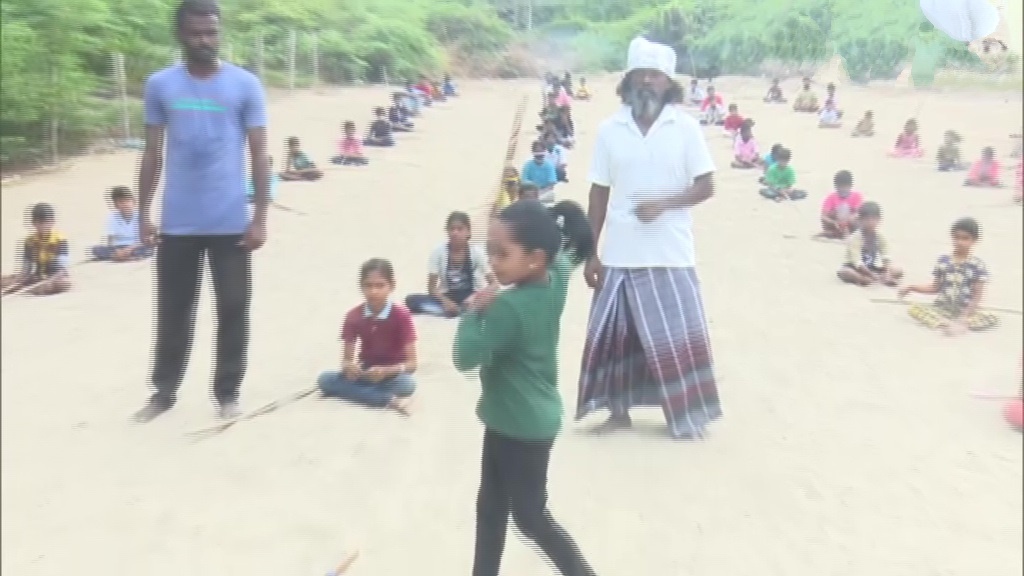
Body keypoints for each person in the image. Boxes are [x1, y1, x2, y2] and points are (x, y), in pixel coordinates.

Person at [577, 36, 722, 440]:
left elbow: (706, 186)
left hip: (671, 252)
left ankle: (688, 416)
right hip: (620, 253)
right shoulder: (610, 130)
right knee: (615, 339)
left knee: (678, 340)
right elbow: (598, 193)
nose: (647, 81)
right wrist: (591, 252)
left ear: (668, 83)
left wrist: (665, 203)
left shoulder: (687, 128)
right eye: (640, 74)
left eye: (655, 75)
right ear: (628, 81)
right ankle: (617, 412)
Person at [134, 0, 269, 423]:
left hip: (231, 223)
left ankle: (227, 393)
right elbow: (152, 153)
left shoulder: (245, 84)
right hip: (177, 223)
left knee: (232, 308)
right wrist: (142, 212)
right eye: (195, 33)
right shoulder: (160, 85)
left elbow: (261, 151)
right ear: (180, 34)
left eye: (211, 32)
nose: (205, 40)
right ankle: (163, 392)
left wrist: (260, 216)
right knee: (173, 309)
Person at [453, 199, 598, 576]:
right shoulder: (556, 275)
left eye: (502, 254)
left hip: (519, 427)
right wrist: (568, 221)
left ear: (534, 258)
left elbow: (465, 357)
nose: (493, 262)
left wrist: (473, 310)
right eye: (490, 251)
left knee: (530, 517)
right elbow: (571, 252)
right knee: (491, 509)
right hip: (518, 420)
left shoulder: (508, 308)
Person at [317, 259, 416, 415]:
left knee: (408, 384)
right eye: (368, 286)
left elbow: (412, 364)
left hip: (393, 373)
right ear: (361, 287)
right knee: (324, 379)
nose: (374, 291)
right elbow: (346, 360)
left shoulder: (401, 315)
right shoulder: (353, 316)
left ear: (392, 286)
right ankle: (385, 399)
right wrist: (348, 367)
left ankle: (362, 393)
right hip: (366, 371)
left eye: (380, 285)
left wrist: (386, 371)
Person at [898, 217, 998, 335]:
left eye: (965, 238)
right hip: (942, 309)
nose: (959, 242)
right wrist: (912, 288)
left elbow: (977, 296)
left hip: (965, 310)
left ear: (974, 240)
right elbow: (935, 287)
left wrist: (964, 316)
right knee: (913, 309)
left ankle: (959, 324)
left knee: (992, 317)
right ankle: (946, 323)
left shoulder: (977, 265)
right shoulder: (943, 261)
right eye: (956, 237)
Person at [405, 211, 493, 317]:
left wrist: (475, 296)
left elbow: (494, 284)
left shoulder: (477, 253)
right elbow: (431, 287)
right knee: (411, 300)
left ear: (468, 232)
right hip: (447, 296)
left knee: (496, 302)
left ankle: (460, 312)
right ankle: (460, 312)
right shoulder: (438, 252)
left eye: (460, 229)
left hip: (471, 297)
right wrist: (445, 301)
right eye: (451, 229)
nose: (455, 233)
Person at [1, 203, 72, 296]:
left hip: (55, 277)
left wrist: (50, 280)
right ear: (34, 223)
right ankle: (33, 289)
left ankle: (32, 289)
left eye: (46, 222)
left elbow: (63, 269)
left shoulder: (60, 240)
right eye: (39, 222)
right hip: (37, 277)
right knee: (5, 280)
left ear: (53, 222)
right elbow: (26, 268)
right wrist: (19, 279)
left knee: (65, 283)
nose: (43, 226)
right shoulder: (29, 242)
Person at [836, 202, 903, 286]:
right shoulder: (855, 238)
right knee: (845, 272)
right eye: (867, 219)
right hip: (855, 268)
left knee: (898, 269)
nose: (870, 222)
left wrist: (887, 273)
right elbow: (857, 262)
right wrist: (872, 275)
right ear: (860, 220)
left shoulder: (880, 236)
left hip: (870, 267)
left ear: (879, 220)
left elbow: (886, 256)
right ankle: (862, 279)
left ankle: (879, 278)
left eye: (874, 219)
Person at [91, 186, 152, 261]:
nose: (125, 204)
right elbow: (110, 239)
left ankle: (127, 256)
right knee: (96, 249)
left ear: (134, 202)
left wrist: (130, 249)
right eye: (121, 202)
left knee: (149, 248)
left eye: (127, 201)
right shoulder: (112, 217)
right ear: (116, 205)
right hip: (119, 247)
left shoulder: (140, 216)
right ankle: (121, 256)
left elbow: (145, 239)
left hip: (136, 246)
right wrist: (116, 251)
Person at [819, 170, 864, 239]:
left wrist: (851, 217)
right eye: (840, 187)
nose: (842, 189)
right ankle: (835, 232)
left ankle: (850, 233)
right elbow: (823, 216)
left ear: (850, 186)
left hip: (851, 224)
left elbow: (860, 212)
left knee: (860, 217)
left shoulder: (857, 196)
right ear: (836, 187)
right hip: (836, 223)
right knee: (833, 213)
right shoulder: (831, 197)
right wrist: (834, 222)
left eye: (845, 187)